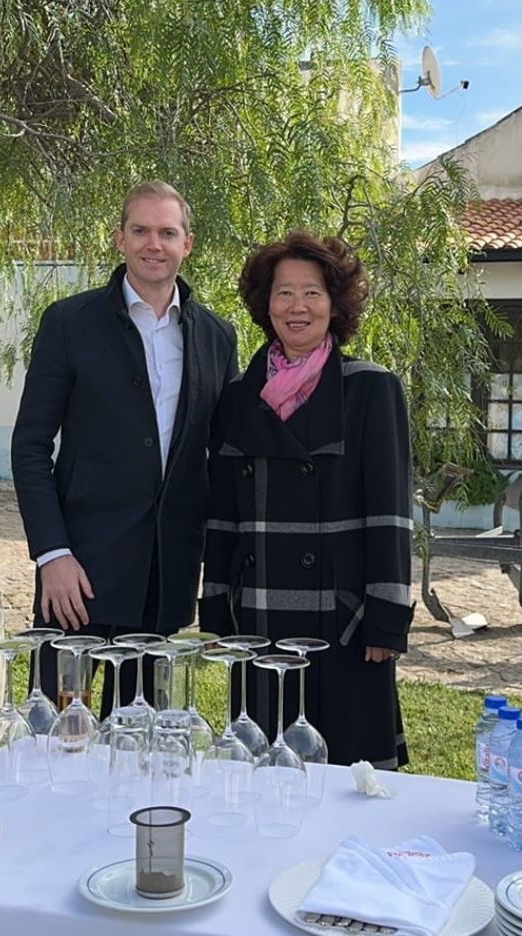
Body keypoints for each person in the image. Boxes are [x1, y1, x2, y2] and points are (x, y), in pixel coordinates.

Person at [12, 181, 239, 713]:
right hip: (78, 573)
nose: (152, 244)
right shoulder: (69, 323)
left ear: (189, 243)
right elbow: (29, 448)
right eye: (140, 231)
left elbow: (224, 459)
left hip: (166, 577)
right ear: (119, 239)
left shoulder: (217, 336)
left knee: (144, 743)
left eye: (167, 232)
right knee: (58, 734)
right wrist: (53, 555)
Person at [199, 231, 414, 769]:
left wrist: (385, 617)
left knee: (348, 772)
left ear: (335, 304)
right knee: (264, 770)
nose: (298, 307)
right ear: (265, 304)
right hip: (259, 614)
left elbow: (390, 513)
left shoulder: (371, 388)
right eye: (284, 293)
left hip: (343, 619)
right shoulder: (237, 396)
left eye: (312, 293)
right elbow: (222, 515)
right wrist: (218, 610)